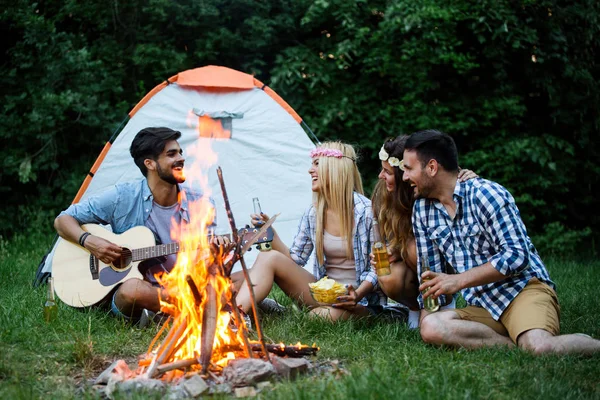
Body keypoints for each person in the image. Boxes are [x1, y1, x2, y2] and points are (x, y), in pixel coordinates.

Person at [402, 129, 600, 354]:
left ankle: (573, 344)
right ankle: (516, 344)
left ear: (432, 167)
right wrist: (426, 325)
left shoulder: (487, 194)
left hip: (521, 290)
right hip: (482, 305)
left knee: (540, 346)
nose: (405, 176)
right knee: (431, 328)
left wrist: (458, 281)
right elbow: (432, 276)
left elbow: (517, 256)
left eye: (409, 168)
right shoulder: (422, 209)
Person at [54, 127, 225, 323]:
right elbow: (62, 220)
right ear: (149, 163)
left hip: (183, 285)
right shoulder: (122, 197)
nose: (181, 158)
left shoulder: (200, 202)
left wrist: (215, 254)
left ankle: (179, 312)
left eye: (180, 152)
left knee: (240, 278)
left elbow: (205, 266)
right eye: (171, 154)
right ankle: (207, 309)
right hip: (140, 292)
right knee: (132, 290)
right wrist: (90, 241)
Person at [235, 141, 384, 321]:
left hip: (360, 301)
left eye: (317, 164)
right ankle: (237, 316)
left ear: (334, 168)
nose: (310, 170)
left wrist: (358, 294)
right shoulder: (314, 213)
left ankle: (271, 309)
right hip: (324, 294)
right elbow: (295, 259)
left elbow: (381, 268)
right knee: (267, 257)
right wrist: (269, 230)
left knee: (317, 316)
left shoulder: (366, 212)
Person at [371, 135, 476, 328]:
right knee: (388, 273)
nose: (380, 176)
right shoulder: (383, 196)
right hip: (408, 262)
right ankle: (414, 309)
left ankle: (443, 304)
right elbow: (386, 238)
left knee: (414, 248)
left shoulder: (429, 190)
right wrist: (392, 249)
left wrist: (467, 176)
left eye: (387, 171)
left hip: (440, 261)